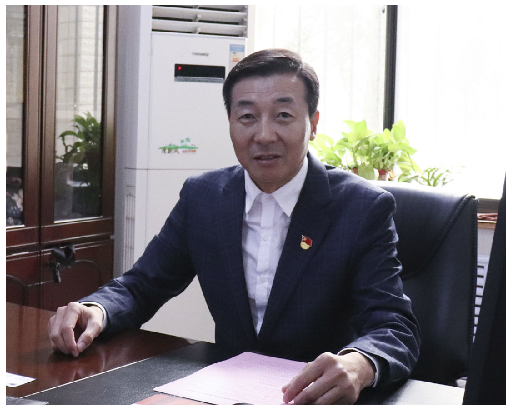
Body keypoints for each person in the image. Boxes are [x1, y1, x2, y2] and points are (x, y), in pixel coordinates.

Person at [48, 49, 420, 405]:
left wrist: (359, 364)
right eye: (247, 117)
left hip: (315, 399)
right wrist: (96, 310)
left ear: (314, 124)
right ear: (230, 123)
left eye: (283, 115)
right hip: (223, 395)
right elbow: (142, 285)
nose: (264, 135)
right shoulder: (204, 197)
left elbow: (393, 326)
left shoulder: (361, 208)